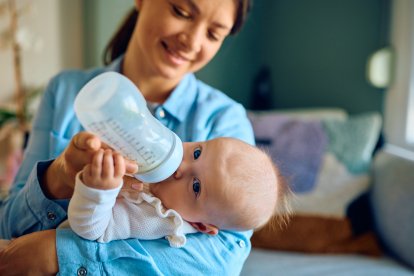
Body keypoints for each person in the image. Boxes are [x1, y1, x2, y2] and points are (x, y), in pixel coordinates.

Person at [0, 0, 259, 274]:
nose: (192, 42)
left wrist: (59, 254)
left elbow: (224, 256)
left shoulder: (224, 120)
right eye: (181, 12)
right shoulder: (66, 91)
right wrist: (60, 176)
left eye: (213, 34)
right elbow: (7, 225)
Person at [66, 137, 290, 248]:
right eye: (197, 152)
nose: (180, 168)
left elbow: (92, 230)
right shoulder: (164, 152)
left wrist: (98, 189)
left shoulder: (157, 218)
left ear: (201, 225)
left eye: (196, 187)